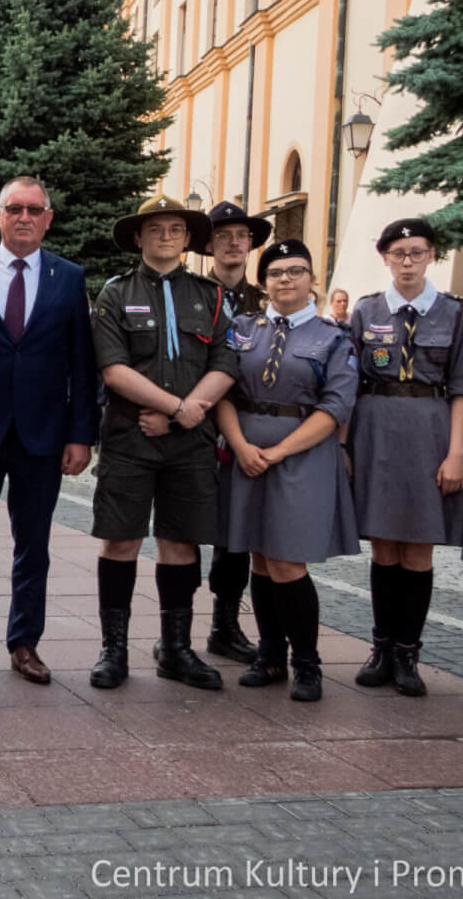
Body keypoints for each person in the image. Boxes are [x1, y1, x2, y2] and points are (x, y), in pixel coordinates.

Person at [0, 177, 98, 685]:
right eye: (15, 209)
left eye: (34, 209)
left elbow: (82, 362)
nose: (24, 217)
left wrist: (81, 435)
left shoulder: (68, 277)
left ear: (48, 219)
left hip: (42, 434)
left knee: (34, 545)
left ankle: (24, 643)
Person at [89, 197, 236, 692]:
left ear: (188, 238)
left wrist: (185, 414)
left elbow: (224, 364)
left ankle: (176, 649)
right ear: (139, 237)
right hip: (131, 438)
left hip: (190, 443)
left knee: (180, 542)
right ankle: (114, 650)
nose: (167, 236)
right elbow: (113, 369)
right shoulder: (114, 294)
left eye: (176, 228)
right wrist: (178, 409)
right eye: (156, 229)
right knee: (121, 540)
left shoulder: (211, 297)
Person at [214, 239, 359, 702]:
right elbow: (224, 391)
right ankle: (270, 654)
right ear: (264, 282)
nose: (285, 280)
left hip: (301, 456)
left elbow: (335, 406)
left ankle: (308, 663)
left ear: (313, 278)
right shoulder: (242, 328)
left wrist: (277, 453)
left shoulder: (333, 337)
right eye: (275, 272)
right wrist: (240, 446)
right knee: (259, 554)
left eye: (296, 271)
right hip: (245, 454)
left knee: (287, 559)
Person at [347, 218, 463, 697]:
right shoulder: (365, 311)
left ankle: (407, 654)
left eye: (416, 252)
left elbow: (461, 388)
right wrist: (344, 445)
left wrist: (456, 453)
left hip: (429, 429)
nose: (407, 261)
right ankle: (380, 648)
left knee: (418, 546)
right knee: (383, 544)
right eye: (398, 253)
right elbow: (350, 381)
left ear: (431, 256)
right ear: (384, 257)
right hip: (375, 430)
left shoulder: (453, 312)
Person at [197, 200, 272, 665]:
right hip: (194, 427)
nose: (232, 242)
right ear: (208, 245)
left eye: (241, 236)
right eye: (223, 235)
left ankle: (225, 623)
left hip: (246, 429)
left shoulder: (264, 302)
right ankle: (174, 628)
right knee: (182, 532)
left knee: (238, 533)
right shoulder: (191, 294)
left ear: (251, 245)